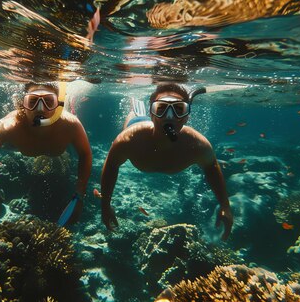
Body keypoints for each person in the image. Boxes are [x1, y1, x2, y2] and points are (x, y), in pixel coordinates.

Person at [100, 83, 233, 240]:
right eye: (161, 108)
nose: (169, 116)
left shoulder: (197, 145)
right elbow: (111, 164)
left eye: (178, 109)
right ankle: (134, 103)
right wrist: (105, 204)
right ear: (152, 113)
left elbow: (211, 166)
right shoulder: (129, 139)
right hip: (136, 123)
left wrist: (225, 205)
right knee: (135, 113)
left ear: (187, 116)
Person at [0, 82, 92, 225]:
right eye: (32, 101)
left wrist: (79, 195)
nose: (40, 109)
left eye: (48, 101)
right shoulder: (9, 126)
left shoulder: (70, 125)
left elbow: (85, 154)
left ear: (58, 106)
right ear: (22, 104)